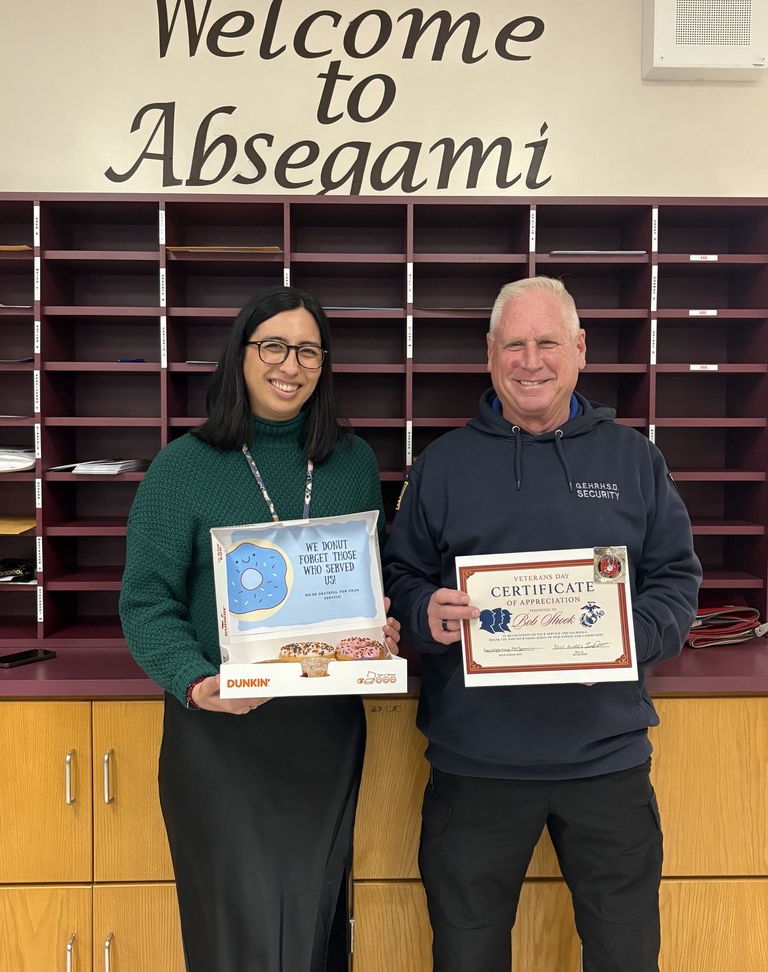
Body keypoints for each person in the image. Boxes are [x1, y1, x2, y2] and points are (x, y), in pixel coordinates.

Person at [382, 276, 702, 972]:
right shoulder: (441, 465)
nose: (532, 361)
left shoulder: (634, 460)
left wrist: (626, 636)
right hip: (476, 765)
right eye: (515, 345)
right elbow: (400, 578)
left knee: (625, 956)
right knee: (466, 956)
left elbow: (677, 580)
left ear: (579, 350)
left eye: (548, 342)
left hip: (606, 761)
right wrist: (421, 609)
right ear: (491, 353)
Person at [119, 286, 400, 972]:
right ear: (241, 356)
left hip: (323, 730)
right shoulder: (182, 467)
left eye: (307, 349)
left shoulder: (354, 463)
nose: (290, 363)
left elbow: (367, 583)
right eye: (272, 345)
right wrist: (193, 682)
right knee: (232, 929)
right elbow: (145, 601)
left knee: (312, 923)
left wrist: (377, 631)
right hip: (220, 729)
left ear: (323, 364)